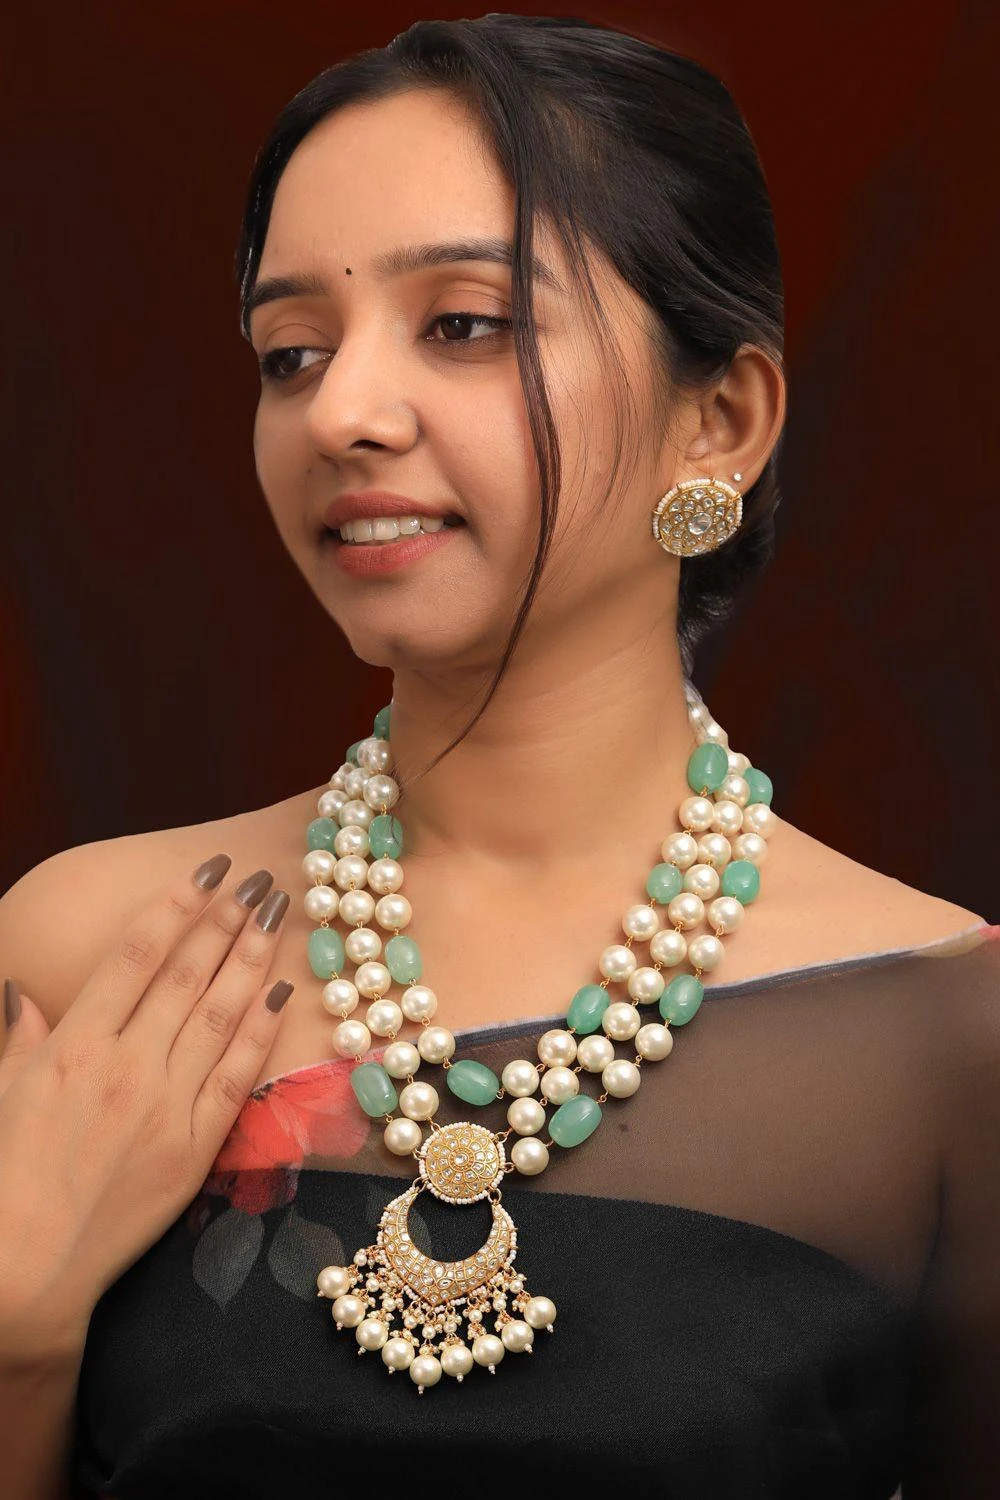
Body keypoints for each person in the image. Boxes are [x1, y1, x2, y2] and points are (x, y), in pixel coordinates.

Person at [0, 13, 996, 1499]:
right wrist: (15, 1341)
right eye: (291, 353)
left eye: (464, 324)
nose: (340, 413)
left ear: (720, 423)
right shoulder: (93, 958)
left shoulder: (944, 1041)